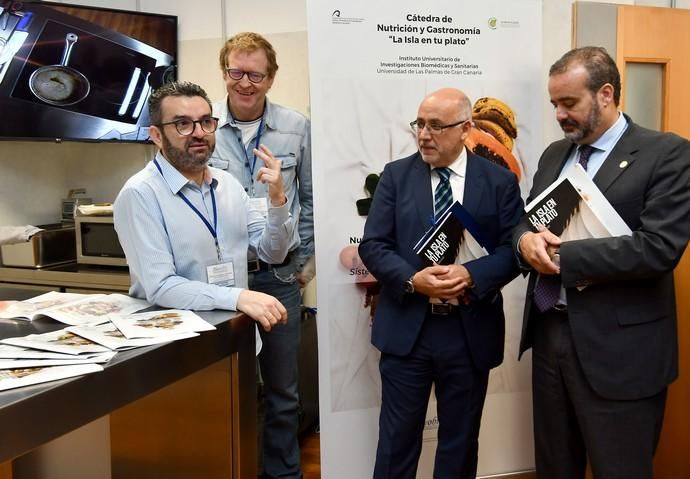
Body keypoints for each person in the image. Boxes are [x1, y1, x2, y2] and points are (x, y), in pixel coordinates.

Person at [514, 46, 690, 479]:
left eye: (569, 102)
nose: (558, 113)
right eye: (554, 103)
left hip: (622, 353)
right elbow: (526, 219)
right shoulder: (555, 155)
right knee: (556, 467)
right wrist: (524, 243)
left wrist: (561, 256)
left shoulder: (666, 154)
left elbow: (659, 247)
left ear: (606, 94)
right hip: (550, 334)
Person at [358, 87, 524, 478]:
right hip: (408, 330)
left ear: (465, 129)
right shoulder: (396, 176)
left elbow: (513, 249)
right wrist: (414, 279)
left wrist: (471, 275)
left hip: (469, 331)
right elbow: (374, 246)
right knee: (396, 441)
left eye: (436, 126)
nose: (423, 135)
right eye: (419, 124)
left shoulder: (498, 181)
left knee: (460, 443)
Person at [210, 32, 313, 479]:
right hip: (221, 280)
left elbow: (309, 200)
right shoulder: (203, 126)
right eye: (236, 72)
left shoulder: (296, 126)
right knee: (222, 387)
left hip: (277, 275)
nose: (245, 83)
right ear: (224, 72)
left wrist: (300, 259)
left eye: (255, 74)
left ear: (271, 78)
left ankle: (282, 474)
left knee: (282, 391)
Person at [113, 80, 294, 333]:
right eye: (183, 124)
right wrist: (237, 297)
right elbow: (161, 286)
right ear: (156, 135)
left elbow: (272, 253)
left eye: (206, 122)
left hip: (237, 334)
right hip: (180, 344)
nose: (199, 133)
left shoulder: (228, 185)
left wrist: (277, 201)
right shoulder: (140, 194)